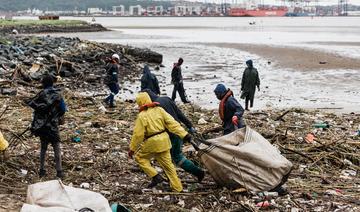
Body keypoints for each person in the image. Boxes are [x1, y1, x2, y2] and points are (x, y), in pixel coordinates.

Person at [128, 92, 192, 192]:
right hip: (164, 141)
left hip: (152, 142)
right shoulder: (159, 110)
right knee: (169, 167)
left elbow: (138, 135)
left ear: (139, 103)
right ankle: (178, 188)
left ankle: (155, 176)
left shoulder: (142, 116)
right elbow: (172, 124)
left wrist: (132, 149)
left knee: (140, 158)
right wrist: (185, 134)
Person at [143, 89, 205, 182]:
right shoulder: (166, 99)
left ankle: (198, 172)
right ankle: (173, 178)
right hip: (179, 131)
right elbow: (179, 113)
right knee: (172, 157)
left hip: (170, 134)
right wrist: (189, 125)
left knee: (175, 157)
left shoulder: (155, 107)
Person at [25, 74, 67, 178]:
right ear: (52, 83)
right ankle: (59, 171)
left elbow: (34, 106)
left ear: (43, 83)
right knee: (56, 147)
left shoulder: (41, 94)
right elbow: (63, 109)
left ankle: (42, 170)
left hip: (42, 126)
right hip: (53, 125)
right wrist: (56, 116)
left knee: (43, 148)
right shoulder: (58, 94)